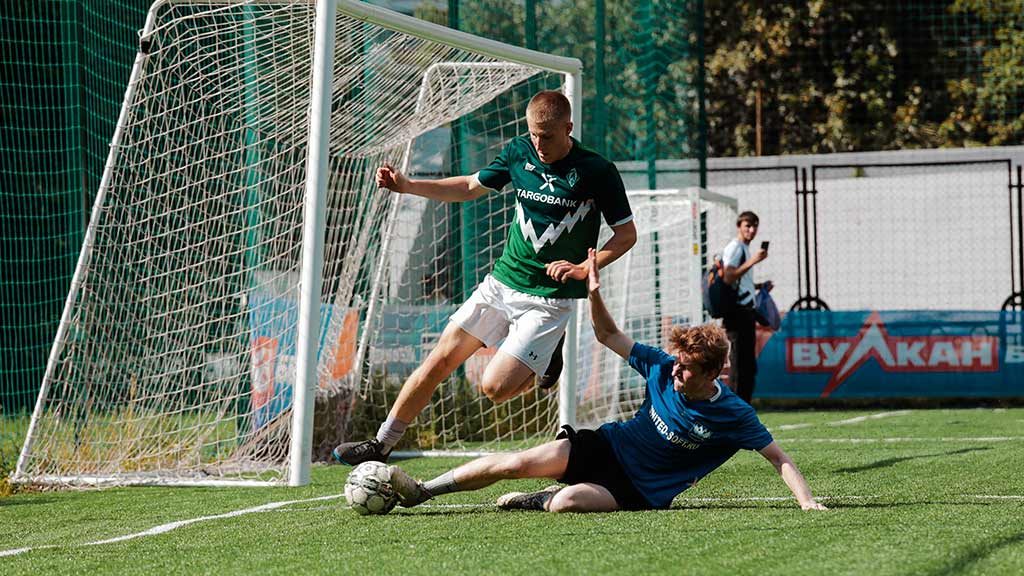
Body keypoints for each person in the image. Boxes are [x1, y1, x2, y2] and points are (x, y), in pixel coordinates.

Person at [385, 248, 827, 513]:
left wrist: (807, 501)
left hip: (637, 490)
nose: (676, 370)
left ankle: (536, 499)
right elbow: (608, 335)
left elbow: (778, 458)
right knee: (512, 463)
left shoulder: (732, 412)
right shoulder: (659, 366)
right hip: (605, 445)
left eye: (687, 367)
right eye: (676, 361)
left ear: (712, 373)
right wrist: (593, 292)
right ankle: (424, 490)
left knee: (565, 505)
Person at [333, 91, 637, 465]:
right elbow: (468, 187)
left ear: (568, 128)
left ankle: (545, 355)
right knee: (439, 360)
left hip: (549, 299)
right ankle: (381, 445)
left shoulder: (597, 171)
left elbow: (626, 235)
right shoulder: (519, 152)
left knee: (493, 388)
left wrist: (584, 268)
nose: (539, 144)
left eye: (548, 136)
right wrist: (408, 185)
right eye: (534, 134)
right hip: (501, 283)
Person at [720, 210, 769, 403]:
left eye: (755, 225)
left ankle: (743, 410)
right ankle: (737, 410)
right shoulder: (735, 248)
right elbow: (728, 275)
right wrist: (753, 261)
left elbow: (739, 282)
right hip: (737, 313)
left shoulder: (743, 249)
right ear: (739, 227)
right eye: (747, 225)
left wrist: (759, 286)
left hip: (745, 312)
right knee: (740, 366)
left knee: (748, 366)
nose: (752, 229)